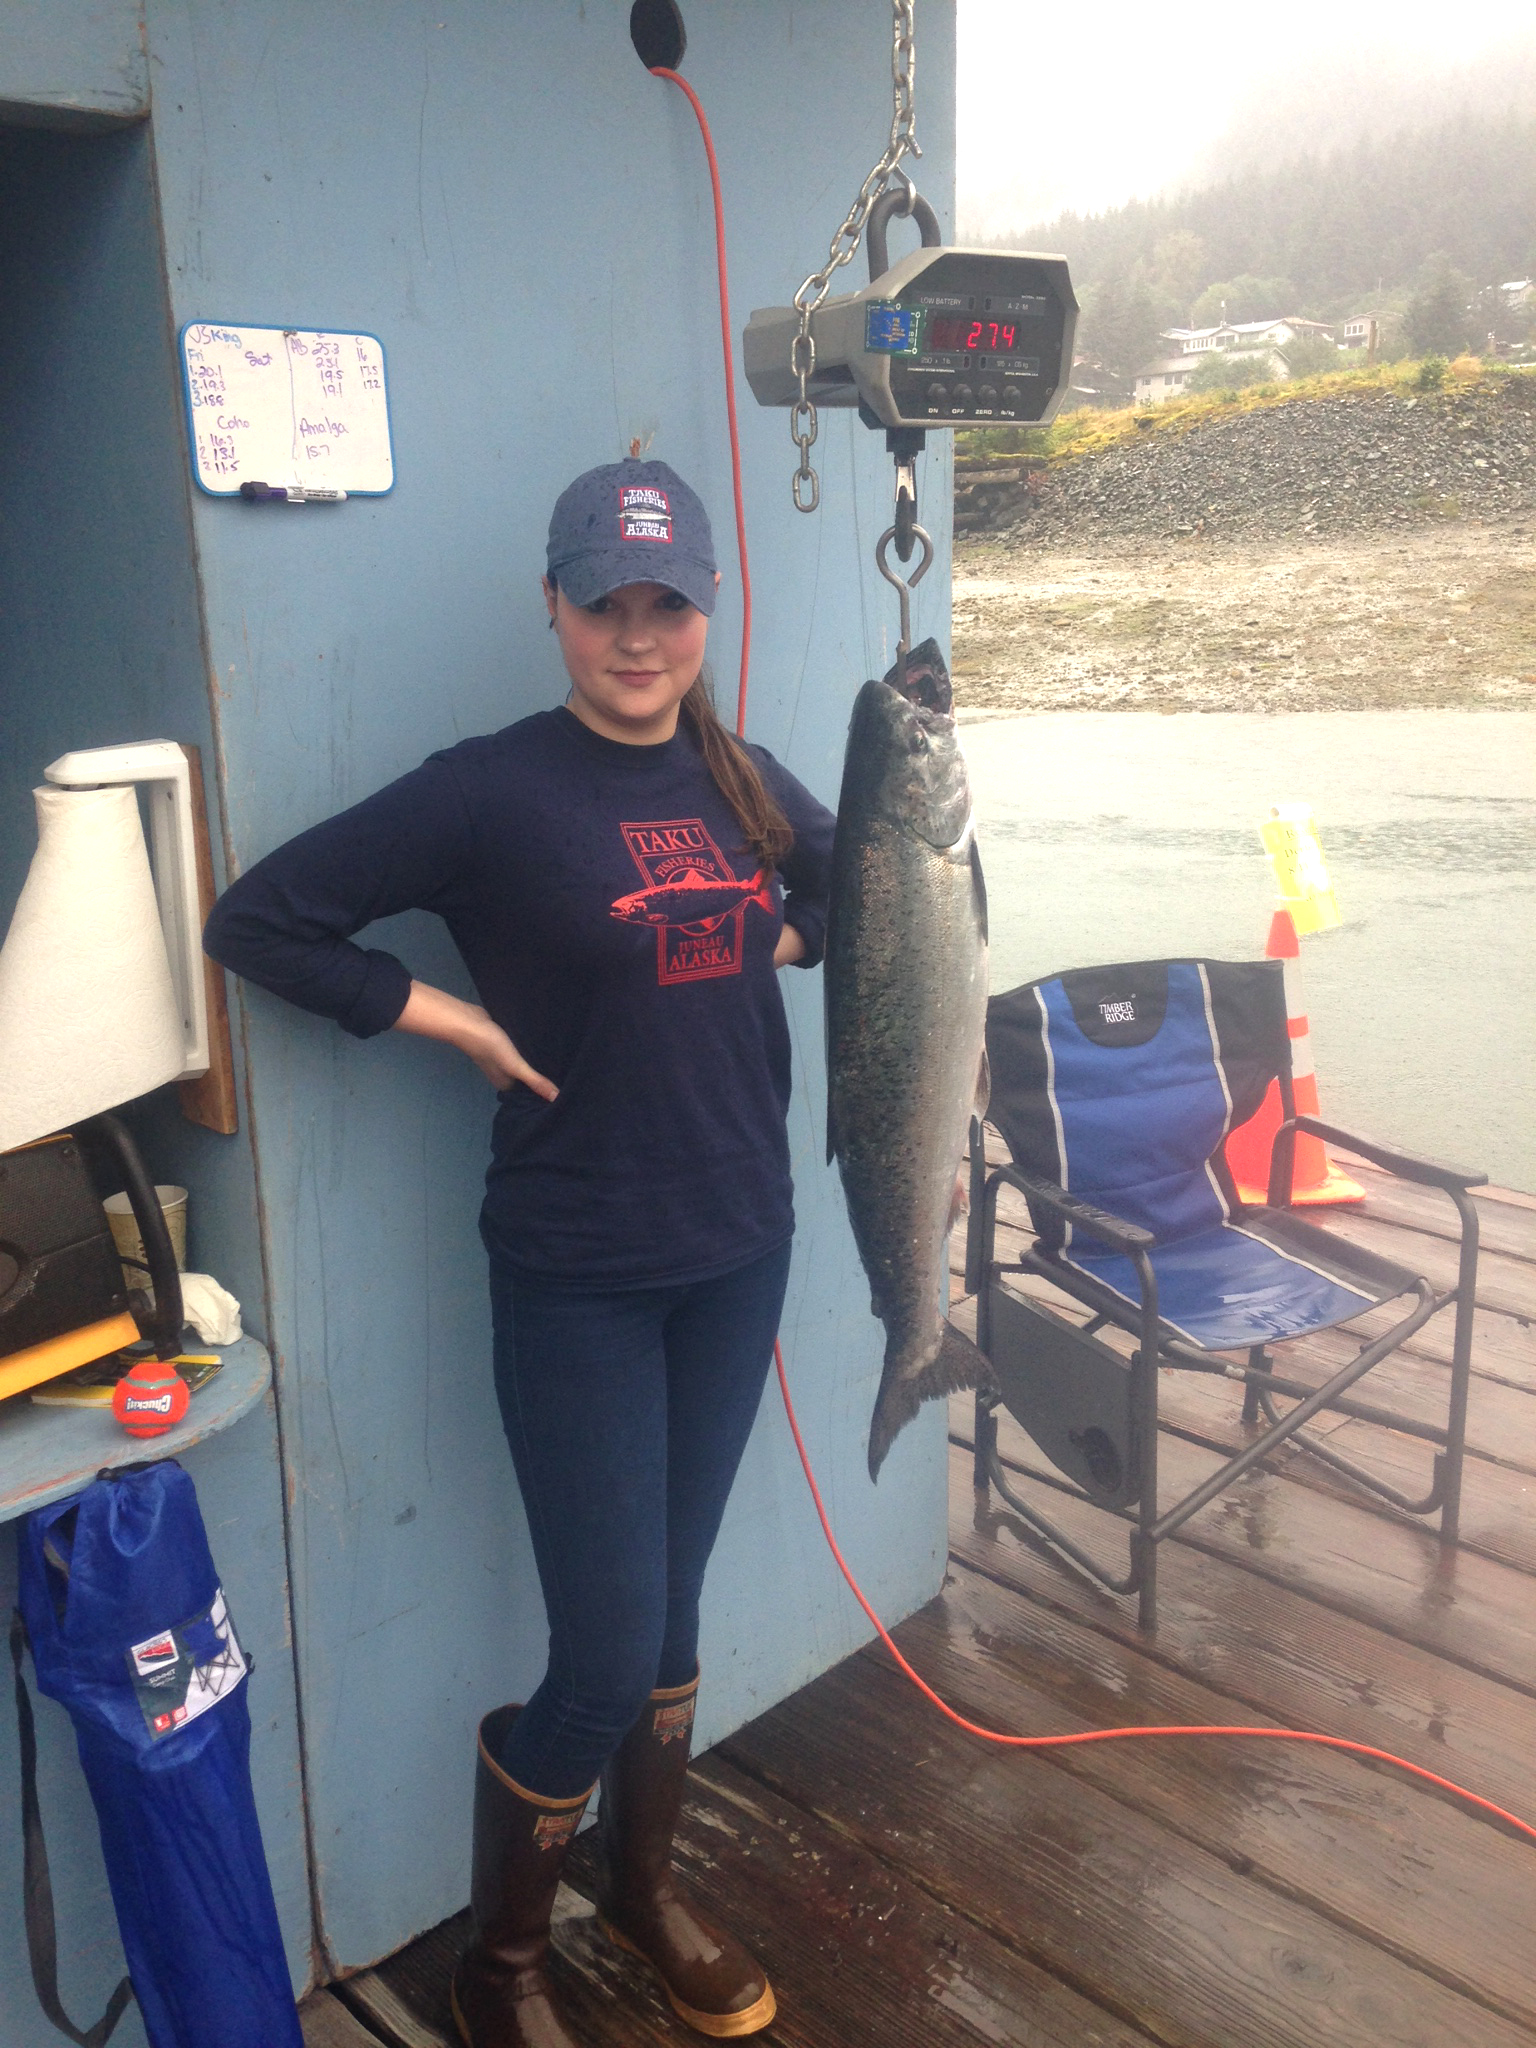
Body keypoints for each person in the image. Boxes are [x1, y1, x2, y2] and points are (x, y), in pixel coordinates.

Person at [204, 457, 835, 2047]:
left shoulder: (744, 776)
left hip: (738, 1242)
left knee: (675, 1619)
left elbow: (864, 893)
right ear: (549, 606)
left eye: (667, 605)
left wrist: (791, 932)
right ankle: (504, 1967)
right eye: (605, 604)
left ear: (705, 609)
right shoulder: (491, 791)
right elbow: (258, 920)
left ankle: (639, 1888)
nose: (639, 637)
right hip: (581, 1271)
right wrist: (444, 1017)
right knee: (607, 1649)